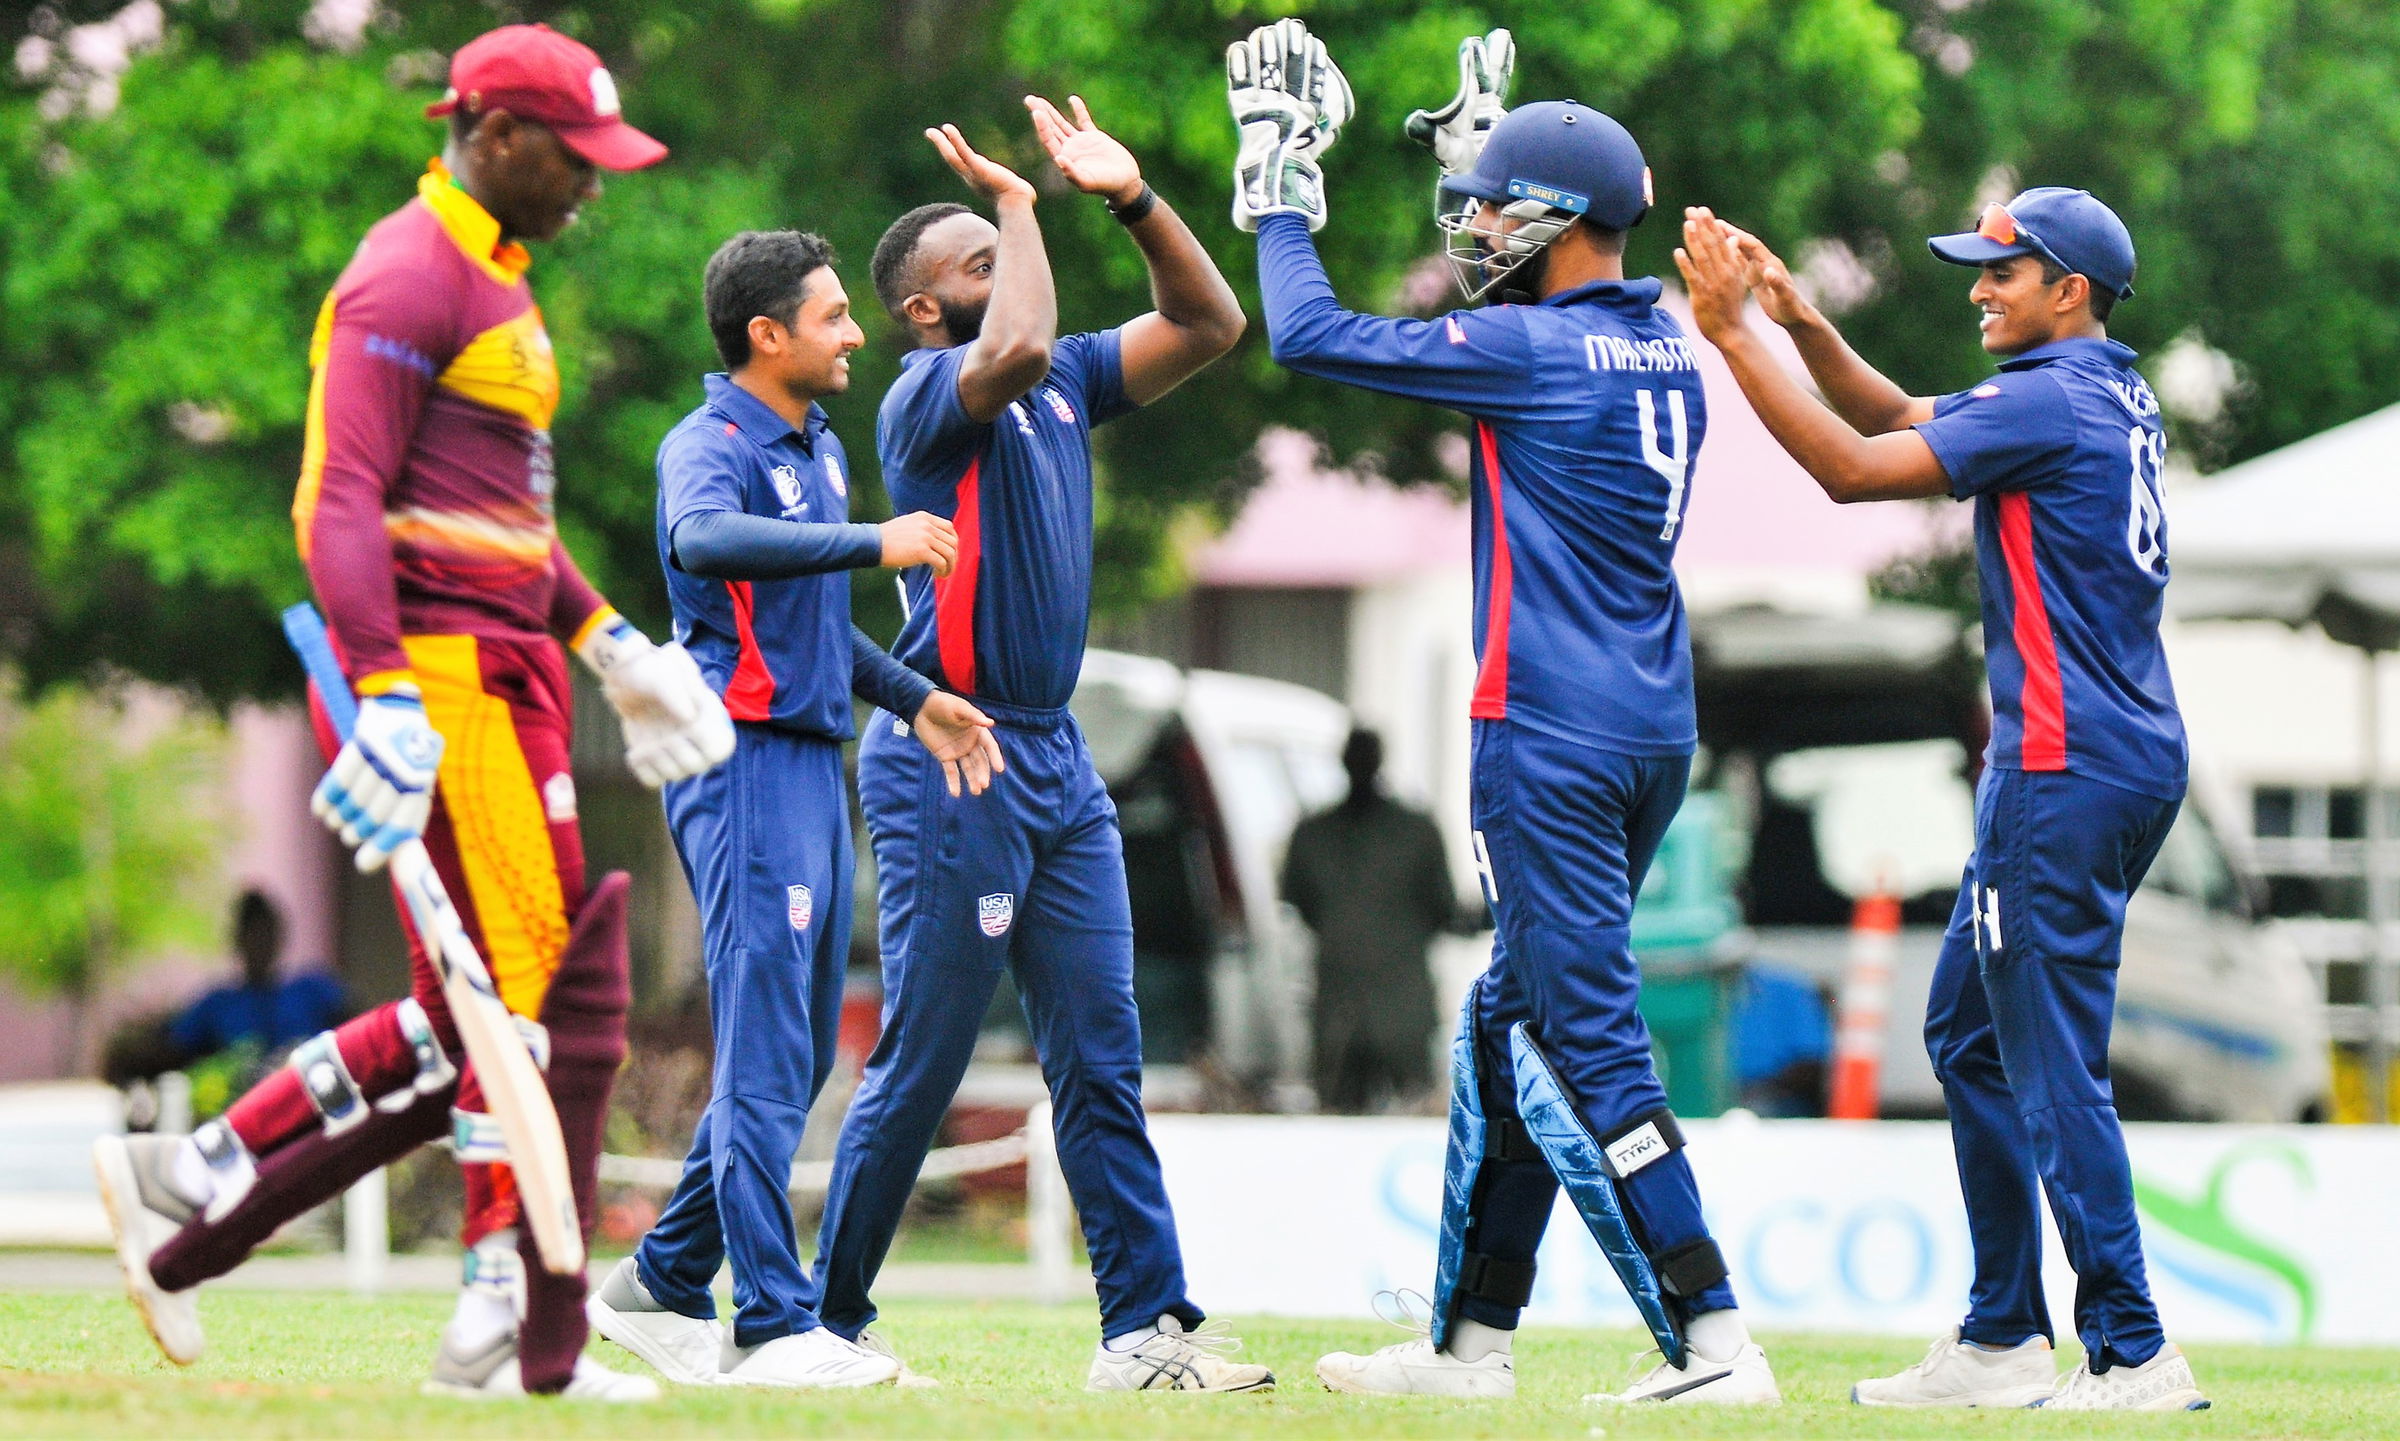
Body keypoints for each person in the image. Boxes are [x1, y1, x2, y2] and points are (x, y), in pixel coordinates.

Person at [90, 24, 732, 1401]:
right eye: (576, 160)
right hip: (440, 678)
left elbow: (505, 516)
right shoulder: (407, 270)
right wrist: (383, 694)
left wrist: (611, 640)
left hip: (512, 670)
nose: (595, 188)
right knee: (518, 1009)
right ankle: (489, 1321)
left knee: (481, 1015)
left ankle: (199, 1169)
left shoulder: (497, 274)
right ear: (495, 135)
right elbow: (337, 493)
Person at [1229, 19, 1778, 1405]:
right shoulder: (1656, 343)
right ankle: (1469, 1347)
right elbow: (1537, 288)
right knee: (1508, 1019)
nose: (1470, 227)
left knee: (1583, 1035)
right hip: (1646, 729)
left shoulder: (1530, 354)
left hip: (1546, 734)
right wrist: (1493, 160)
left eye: (1488, 207)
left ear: (1557, 221)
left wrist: (1280, 181)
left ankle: (1712, 1338)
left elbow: (1306, 331)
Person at [1673, 189, 2204, 1412]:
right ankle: (2004, 1338)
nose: (1979, 289)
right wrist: (1800, 322)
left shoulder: (2048, 401)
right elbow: (1902, 417)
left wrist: (1732, 336)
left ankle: (2131, 1349)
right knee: (1970, 1033)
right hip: (2111, 756)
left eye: (2002, 273)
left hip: (2064, 767)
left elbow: (1856, 472)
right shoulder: (2098, 389)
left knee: (2045, 1052)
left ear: (2066, 290)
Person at [801, 97, 1268, 1392]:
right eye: (979, 268)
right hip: (950, 751)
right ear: (921, 312)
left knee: (1101, 1051)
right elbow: (1010, 348)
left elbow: (1215, 326)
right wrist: (1019, 203)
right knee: (931, 1049)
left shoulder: (1066, 380)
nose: (1009, 277)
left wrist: (1130, 201)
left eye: (1007, 253)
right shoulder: (921, 400)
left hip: (1056, 759)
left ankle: (1145, 1333)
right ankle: (822, 1326)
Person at [582, 229, 1001, 1390]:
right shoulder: (707, 442)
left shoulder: (813, 440)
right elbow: (699, 540)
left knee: (804, 1052)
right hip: (744, 766)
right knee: (766, 1055)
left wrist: (919, 701)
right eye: (831, 317)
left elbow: (815, 624)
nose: (857, 331)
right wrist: (874, 540)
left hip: (814, 764)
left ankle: (661, 1284)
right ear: (767, 336)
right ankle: (772, 1322)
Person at [1280, 729, 1454, 1113]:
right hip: (1386, 1004)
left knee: (1376, 1112)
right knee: (1395, 1112)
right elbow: (1443, 909)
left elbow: (1300, 905)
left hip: (1362, 1003)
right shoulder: (1414, 831)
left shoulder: (1315, 833)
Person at [164, 894, 348, 1061]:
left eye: (265, 933)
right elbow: (174, 1046)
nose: (260, 943)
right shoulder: (218, 1004)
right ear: (239, 939)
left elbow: (351, 1029)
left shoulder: (312, 990)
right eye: (252, 934)